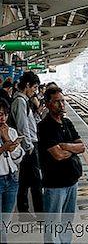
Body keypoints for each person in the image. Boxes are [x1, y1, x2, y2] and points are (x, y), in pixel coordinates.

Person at [38, 86, 85, 243]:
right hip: (55, 185)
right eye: (57, 102)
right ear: (48, 104)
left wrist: (65, 146)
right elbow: (58, 155)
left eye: (63, 101)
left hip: (72, 182)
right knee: (53, 226)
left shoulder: (67, 122)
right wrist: (72, 148)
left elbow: (82, 147)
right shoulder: (45, 126)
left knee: (66, 223)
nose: (62, 105)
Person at [11, 71, 42, 221]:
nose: (35, 91)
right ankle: (42, 215)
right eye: (34, 88)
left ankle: (24, 212)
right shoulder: (20, 101)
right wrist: (29, 146)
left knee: (24, 180)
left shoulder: (22, 100)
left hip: (27, 145)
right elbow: (22, 126)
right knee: (36, 181)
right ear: (27, 85)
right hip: (28, 146)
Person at [0, 98, 25, 242]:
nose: (2, 118)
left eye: (5, 114)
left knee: (5, 223)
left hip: (12, 179)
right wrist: (3, 148)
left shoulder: (11, 132)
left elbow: (18, 157)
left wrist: (7, 138)